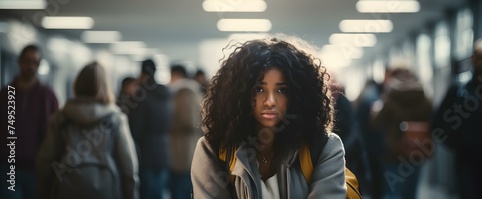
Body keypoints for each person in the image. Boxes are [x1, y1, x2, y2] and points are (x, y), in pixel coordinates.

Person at [191, 34, 346, 198]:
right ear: (238, 93)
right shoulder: (213, 150)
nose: (270, 101)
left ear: (299, 95)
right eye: (259, 89)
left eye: (282, 90)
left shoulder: (324, 147)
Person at [35, 61, 139, 199]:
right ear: (105, 86)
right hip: (106, 189)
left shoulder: (61, 118)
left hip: (66, 188)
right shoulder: (116, 118)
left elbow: (45, 161)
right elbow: (129, 167)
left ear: (77, 83)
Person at [432, 39, 482, 199]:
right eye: (480, 57)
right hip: (467, 160)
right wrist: (456, 143)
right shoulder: (459, 88)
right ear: (473, 59)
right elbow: (438, 122)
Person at [0, 44, 59, 199]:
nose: (30, 66)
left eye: (35, 62)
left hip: (36, 167)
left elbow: (55, 130)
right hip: (8, 166)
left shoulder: (47, 96)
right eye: (27, 61)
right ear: (20, 62)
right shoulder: (5, 94)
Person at [371, 64, 433, 199]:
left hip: (392, 152)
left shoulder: (390, 96)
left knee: (393, 193)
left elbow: (375, 123)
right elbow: (432, 120)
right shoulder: (422, 95)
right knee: (411, 193)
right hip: (416, 150)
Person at [128, 59, 172, 199]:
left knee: (145, 193)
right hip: (164, 150)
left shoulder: (141, 95)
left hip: (144, 153)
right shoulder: (165, 94)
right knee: (158, 192)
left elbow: (135, 128)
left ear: (141, 73)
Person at [167, 63, 203, 199]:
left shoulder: (184, 93)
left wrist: (169, 125)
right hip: (186, 147)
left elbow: (189, 122)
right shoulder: (192, 92)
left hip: (183, 148)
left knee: (181, 188)